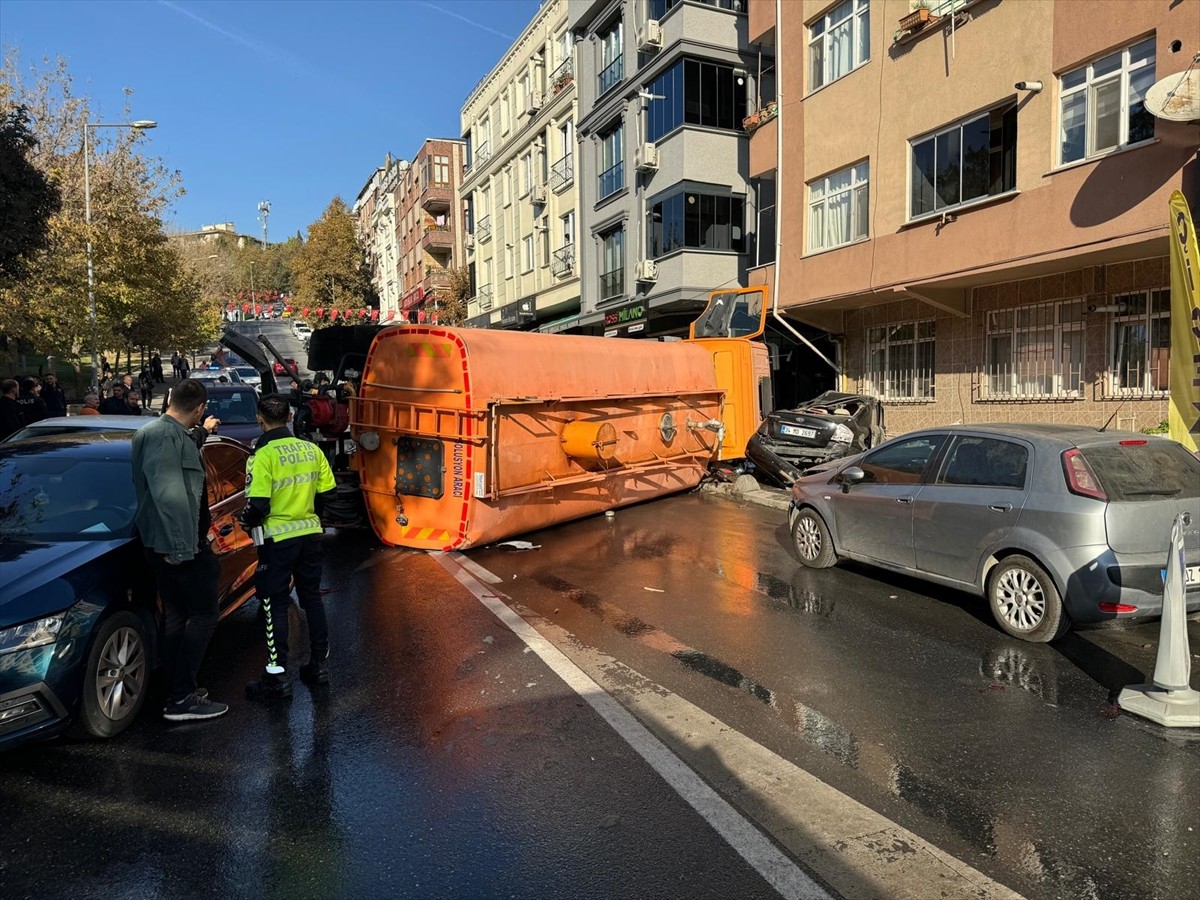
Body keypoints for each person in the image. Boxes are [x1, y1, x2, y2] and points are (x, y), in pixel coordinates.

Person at [131, 378, 228, 722]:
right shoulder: (163, 438)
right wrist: (182, 548)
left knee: (176, 617)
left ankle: (175, 689)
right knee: (203, 616)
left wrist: (203, 431)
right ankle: (182, 698)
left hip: (170, 544)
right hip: (179, 546)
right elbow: (169, 497)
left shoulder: (165, 434)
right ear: (200, 408)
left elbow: (183, 452)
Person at [240, 393, 336, 699]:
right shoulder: (311, 450)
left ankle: (276, 677)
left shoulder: (262, 455)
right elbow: (327, 493)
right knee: (312, 599)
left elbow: (257, 505)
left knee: (274, 604)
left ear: (260, 419)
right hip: (310, 535)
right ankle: (319, 666)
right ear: (290, 417)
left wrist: (247, 521)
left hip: (276, 541)